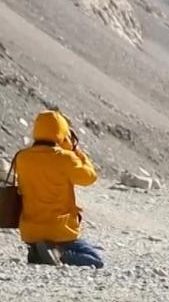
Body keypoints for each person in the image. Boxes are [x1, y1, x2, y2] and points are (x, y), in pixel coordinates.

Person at [14, 110, 104, 268]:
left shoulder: (21, 157)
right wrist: (76, 151)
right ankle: (58, 254)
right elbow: (89, 177)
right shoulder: (66, 158)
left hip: (30, 231)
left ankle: (39, 251)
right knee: (96, 259)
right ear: (62, 132)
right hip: (59, 231)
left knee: (89, 250)